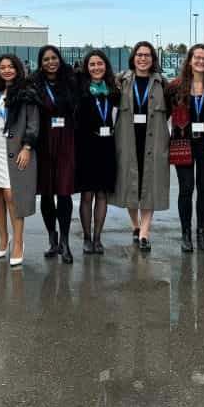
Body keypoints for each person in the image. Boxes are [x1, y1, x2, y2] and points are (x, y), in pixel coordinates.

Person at [115, 41, 170, 252]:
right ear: (133, 57)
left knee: (150, 185)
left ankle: (144, 233)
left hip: (153, 139)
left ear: (153, 59)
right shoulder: (122, 81)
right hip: (128, 139)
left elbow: (171, 110)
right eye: (139, 54)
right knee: (130, 184)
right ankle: (135, 225)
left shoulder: (161, 83)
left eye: (147, 55)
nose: (143, 58)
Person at [166, 44, 204, 253]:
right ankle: (186, 234)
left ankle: (202, 234)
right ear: (189, 60)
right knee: (186, 189)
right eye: (197, 58)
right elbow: (161, 115)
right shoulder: (175, 87)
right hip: (182, 144)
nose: (200, 61)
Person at [0, 54, 39, 266]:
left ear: (18, 69)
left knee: (12, 195)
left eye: (10, 67)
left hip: (16, 151)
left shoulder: (27, 93)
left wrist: (27, 147)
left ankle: (18, 242)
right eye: (2, 67)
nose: (7, 70)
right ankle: (2, 238)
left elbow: (33, 125)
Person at [32, 45, 78, 263]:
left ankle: (65, 242)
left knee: (64, 192)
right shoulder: (34, 84)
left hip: (66, 140)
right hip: (44, 141)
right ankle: (52, 239)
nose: (51, 62)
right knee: (47, 193)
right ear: (40, 63)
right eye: (46, 59)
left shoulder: (71, 81)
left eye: (54, 58)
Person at [74, 49, 121, 254]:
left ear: (106, 66)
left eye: (99, 63)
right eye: (92, 64)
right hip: (86, 146)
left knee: (102, 193)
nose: (96, 68)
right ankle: (86, 237)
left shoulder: (112, 90)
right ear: (86, 68)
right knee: (87, 194)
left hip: (107, 146)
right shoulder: (81, 89)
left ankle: (97, 238)